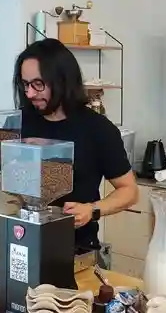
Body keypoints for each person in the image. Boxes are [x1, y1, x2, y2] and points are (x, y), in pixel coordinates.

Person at [13, 37, 138, 250]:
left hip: (76, 247)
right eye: (25, 84)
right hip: (21, 240)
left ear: (62, 80)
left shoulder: (98, 129)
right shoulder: (18, 122)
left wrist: (92, 209)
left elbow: (129, 191)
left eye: (38, 84)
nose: (30, 93)